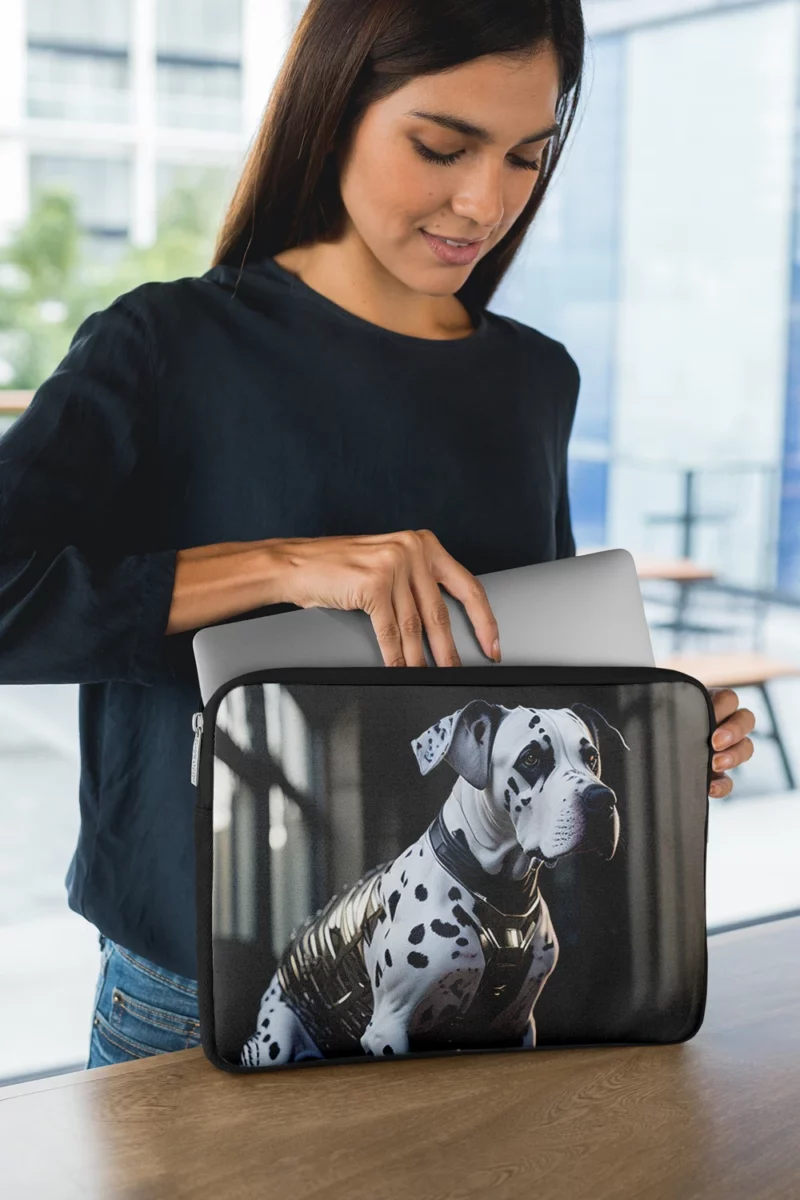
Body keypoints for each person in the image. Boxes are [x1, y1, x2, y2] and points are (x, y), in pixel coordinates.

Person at [0, 0, 754, 1070]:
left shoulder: (535, 379)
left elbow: (523, 664)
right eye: (440, 146)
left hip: (480, 1002)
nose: (482, 201)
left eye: (525, 158)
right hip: (196, 1000)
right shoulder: (162, 345)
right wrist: (290, 567)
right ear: (332, 108)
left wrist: (669, 735)